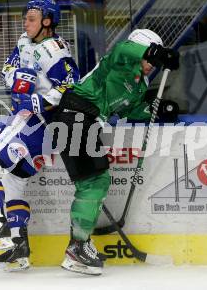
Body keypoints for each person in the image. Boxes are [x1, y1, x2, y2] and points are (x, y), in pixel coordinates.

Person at [50, 29, 180, 275]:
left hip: (85, 123)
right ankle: (77, 247)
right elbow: (122, 48)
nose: (152, 65)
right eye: (150, 59)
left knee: (94, 181)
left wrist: (157, 107)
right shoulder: (119, 61)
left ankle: (78, 245)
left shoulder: (139, 84)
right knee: (94, 182)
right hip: (75, 116)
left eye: (155, 63)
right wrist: (156, 52)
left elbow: (130, 110)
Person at [0, 0, 80, 272]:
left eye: (31, 18)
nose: (25, 22)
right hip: (40, 131)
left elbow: (71, 85)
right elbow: (7, 69)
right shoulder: (24, 42)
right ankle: (19, 249)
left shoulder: (55, 50)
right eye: (25, 17)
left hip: (36, 122)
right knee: (16, 182)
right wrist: (17, 78)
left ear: (47, 21)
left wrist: (41, 101)